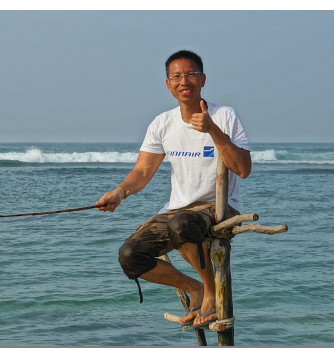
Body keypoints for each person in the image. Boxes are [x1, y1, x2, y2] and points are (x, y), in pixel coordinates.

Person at [96, 50, 252, 327]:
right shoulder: (162, 123)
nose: (185, 81)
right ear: (168, 84)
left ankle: (211, 293)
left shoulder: (224, 115)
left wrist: (214, 130)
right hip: (178, 209)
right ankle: (196, 287)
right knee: (131, 256)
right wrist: (119, 192)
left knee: (182, 224)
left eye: (191, 74)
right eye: (177, 76)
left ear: (203, 79)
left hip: (217, 207)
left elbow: (243, 169)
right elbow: (143, 171)